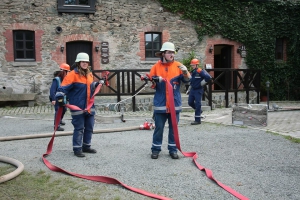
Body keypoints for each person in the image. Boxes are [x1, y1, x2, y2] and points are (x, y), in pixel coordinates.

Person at [147, 42, 191, 159]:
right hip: (160, 104)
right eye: (169, 52)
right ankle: (155, 149)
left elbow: (187, 82)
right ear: (163, 54)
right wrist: (156, 79)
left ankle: (173, 150)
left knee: (173, 128)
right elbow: (150, 82)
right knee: (159, 128)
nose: (171, 54)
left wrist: (186, 72)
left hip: (174, 104)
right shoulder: (156, 67)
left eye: (173, 52)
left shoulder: (178, 66)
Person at [55, 52, 102, 158]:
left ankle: (86, 146)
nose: (85, 63)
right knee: (79, 128)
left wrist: (97, 84)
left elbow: (90, 86)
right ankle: (77, 149)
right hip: (77, 106)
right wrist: (60, 98)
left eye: (86, 62)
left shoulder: (89, 74)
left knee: (89, 127)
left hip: (89, 106)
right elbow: (62, 88)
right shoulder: (72, 75)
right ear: (78, 62)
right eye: (83, 61)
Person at [186, 58, 212, 125]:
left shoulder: (200, 71)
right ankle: (199, 111)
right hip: (192, 90)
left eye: (194, 65)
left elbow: (208, 77)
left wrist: (201, 84)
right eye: (192, 65)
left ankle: (197, 120)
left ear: (197, 65)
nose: (192, 66)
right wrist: (188, 90)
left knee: (198, 104)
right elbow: (191, 82)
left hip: (198, 90)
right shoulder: (192, 72)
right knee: (190, 102)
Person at [49, 63, 70, 131]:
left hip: (63, 98)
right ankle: (56, 126)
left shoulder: (65, 79)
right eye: (67, 72)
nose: (68, 73)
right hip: (57, 98)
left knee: (64, 110)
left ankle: (60, 120)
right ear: (64, 72)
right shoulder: (56, 79)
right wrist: (53, 99)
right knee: (58, 111)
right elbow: (52, 90)